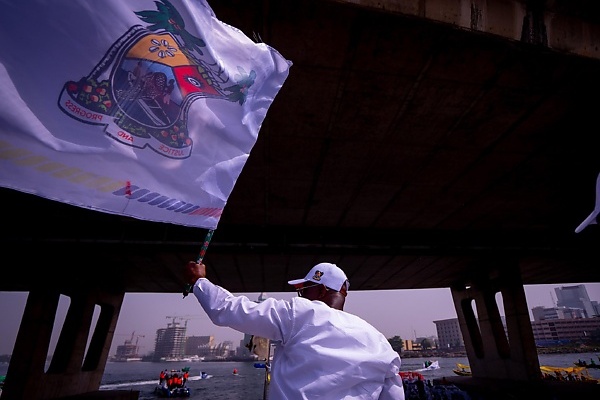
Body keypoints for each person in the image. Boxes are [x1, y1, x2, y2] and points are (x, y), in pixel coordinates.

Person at [183, 260, 405, 400]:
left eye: (303, 290)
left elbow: (228, 310)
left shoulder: (300, 313)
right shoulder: (378, 341)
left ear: (321, 291)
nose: (300, 296)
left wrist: (200, 281)